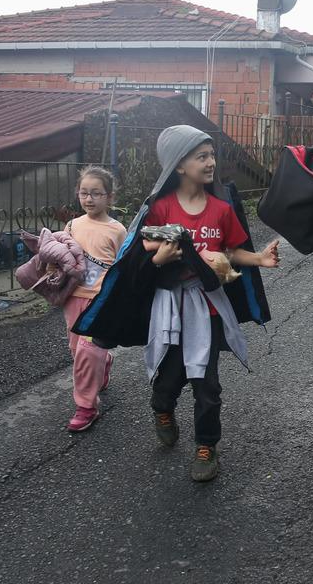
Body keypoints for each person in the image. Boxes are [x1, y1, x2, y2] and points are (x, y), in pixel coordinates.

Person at [144, 130, 280, 482]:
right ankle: (162, 407)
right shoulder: (161, 207)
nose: (211, 162)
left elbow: (233, 250)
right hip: (172, 306)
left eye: (211, 155)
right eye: (201, 156)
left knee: (207, 383)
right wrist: (159, 255)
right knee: (171, 377)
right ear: (178, 166)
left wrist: (260, 259)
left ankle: (206, 446)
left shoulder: (221, 208)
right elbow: (140, 247)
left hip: (210, 307)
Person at [62, 166, 128, 432]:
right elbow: (61, 255)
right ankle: (105, 362)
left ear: (110, 198)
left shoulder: (117, 230)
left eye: (96, 194)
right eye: (84, 193)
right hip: (73, 298)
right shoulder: (72, 225)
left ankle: (86, 406)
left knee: (87, 353)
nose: (89, 199)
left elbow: (124, 267)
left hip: (101, 302)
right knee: (77, 351)